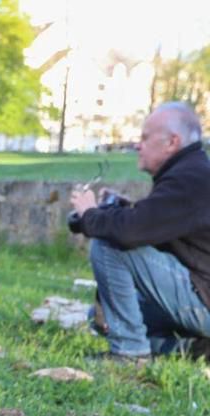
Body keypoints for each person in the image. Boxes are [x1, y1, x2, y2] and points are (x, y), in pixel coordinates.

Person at [69, 101, 210, 362]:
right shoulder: (192, 172)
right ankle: (192, 349)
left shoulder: (190, 178)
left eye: (145, 137)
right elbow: (153, 224)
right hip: (201, 298)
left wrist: (89, 214)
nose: (138, 145)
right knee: (102, 319)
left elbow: (129, 233)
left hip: (204, 302)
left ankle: (130, 352)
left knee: (109, 245)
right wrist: (122, 209)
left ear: (172, 142)